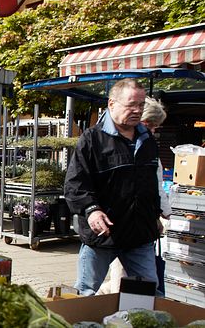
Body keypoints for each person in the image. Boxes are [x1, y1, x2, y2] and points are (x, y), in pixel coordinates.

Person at [65, 79, 161, 296]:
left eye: (141, 105)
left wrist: (155, 214)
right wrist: (91, 210)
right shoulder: (92, 139)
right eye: (131, 105)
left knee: (146, 294)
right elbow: (75, 184)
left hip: (140, 236)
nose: (137, 110)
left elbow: (150, 184)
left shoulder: (148, 141)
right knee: (85, 292)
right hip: (103, 236)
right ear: (112, 104)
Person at [98, 95, 171, 295]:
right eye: (153, 126)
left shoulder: (143, 146)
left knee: (132, 282)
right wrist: (167, 213)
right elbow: (155, 186)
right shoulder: (114, 143)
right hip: (117, 227)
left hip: (130, 227)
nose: (154, 131)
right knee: (124, 283)